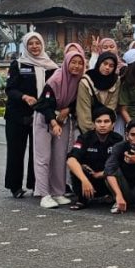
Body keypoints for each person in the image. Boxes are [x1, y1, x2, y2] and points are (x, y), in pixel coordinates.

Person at [4, 31, 58, 198]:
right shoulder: (18, 64)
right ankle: (15, 187)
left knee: (38, 152)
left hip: (40, 115)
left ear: (42, 45)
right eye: (31, 44)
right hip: (17, 116)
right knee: (16, 151)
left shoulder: (51, 67)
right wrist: (24, 97)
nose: (34, 47)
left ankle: (36, 184)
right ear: (26, 46)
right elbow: (10, 89)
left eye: (37, 43)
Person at [33, 49, 85, 208]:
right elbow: (43, 104)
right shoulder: (55, 79)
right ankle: (44, 194)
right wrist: (53, 123)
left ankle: (58, 192)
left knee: (60, 157)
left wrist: (67, 110)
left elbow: (75, 102)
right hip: (45, 119)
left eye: (80, 63)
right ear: (66, 62)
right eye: (73, 62)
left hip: (63, 120)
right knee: (43, 158)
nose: (76, 66)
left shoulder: (79, 81)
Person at [66, 106, 124, 210]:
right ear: (93, 124)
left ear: (113, 124)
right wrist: (84, 180)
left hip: (106, 178)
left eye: (106, 121)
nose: (102, 125)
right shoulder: (85, 138)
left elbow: (121, 164)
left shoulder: (118, 139)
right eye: (99, 121)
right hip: (88, 180)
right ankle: (82, 200)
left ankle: (112, 196)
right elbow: (71, 160)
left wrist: (101, 174)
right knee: (78, 168)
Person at [76, 52, 121, 134]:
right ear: (99, 63)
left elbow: (112, 106)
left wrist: (106, 128)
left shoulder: (116, 80)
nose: (107, 68)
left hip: (107, 129)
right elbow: (83, 111)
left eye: (111, 66)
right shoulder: (86, 82)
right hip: (89, 128)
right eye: (105, 63)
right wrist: (92, 133)